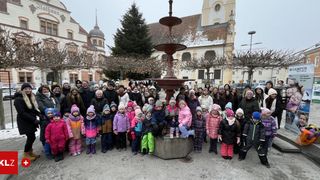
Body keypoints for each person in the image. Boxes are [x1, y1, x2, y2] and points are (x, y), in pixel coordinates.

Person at [14, 83, 41, 161]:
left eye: (29, 88)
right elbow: (22, 113)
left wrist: (39, 114)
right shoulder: (18, 99)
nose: (28, 90)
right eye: (26, 89)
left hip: (31, 120)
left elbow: (33, 109)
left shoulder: (31, 97)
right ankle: (26, 154)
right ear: (22, 90)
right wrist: (34, 120)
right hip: (24, 121)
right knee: (31, 137)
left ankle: (30, 152)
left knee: (32, 137)